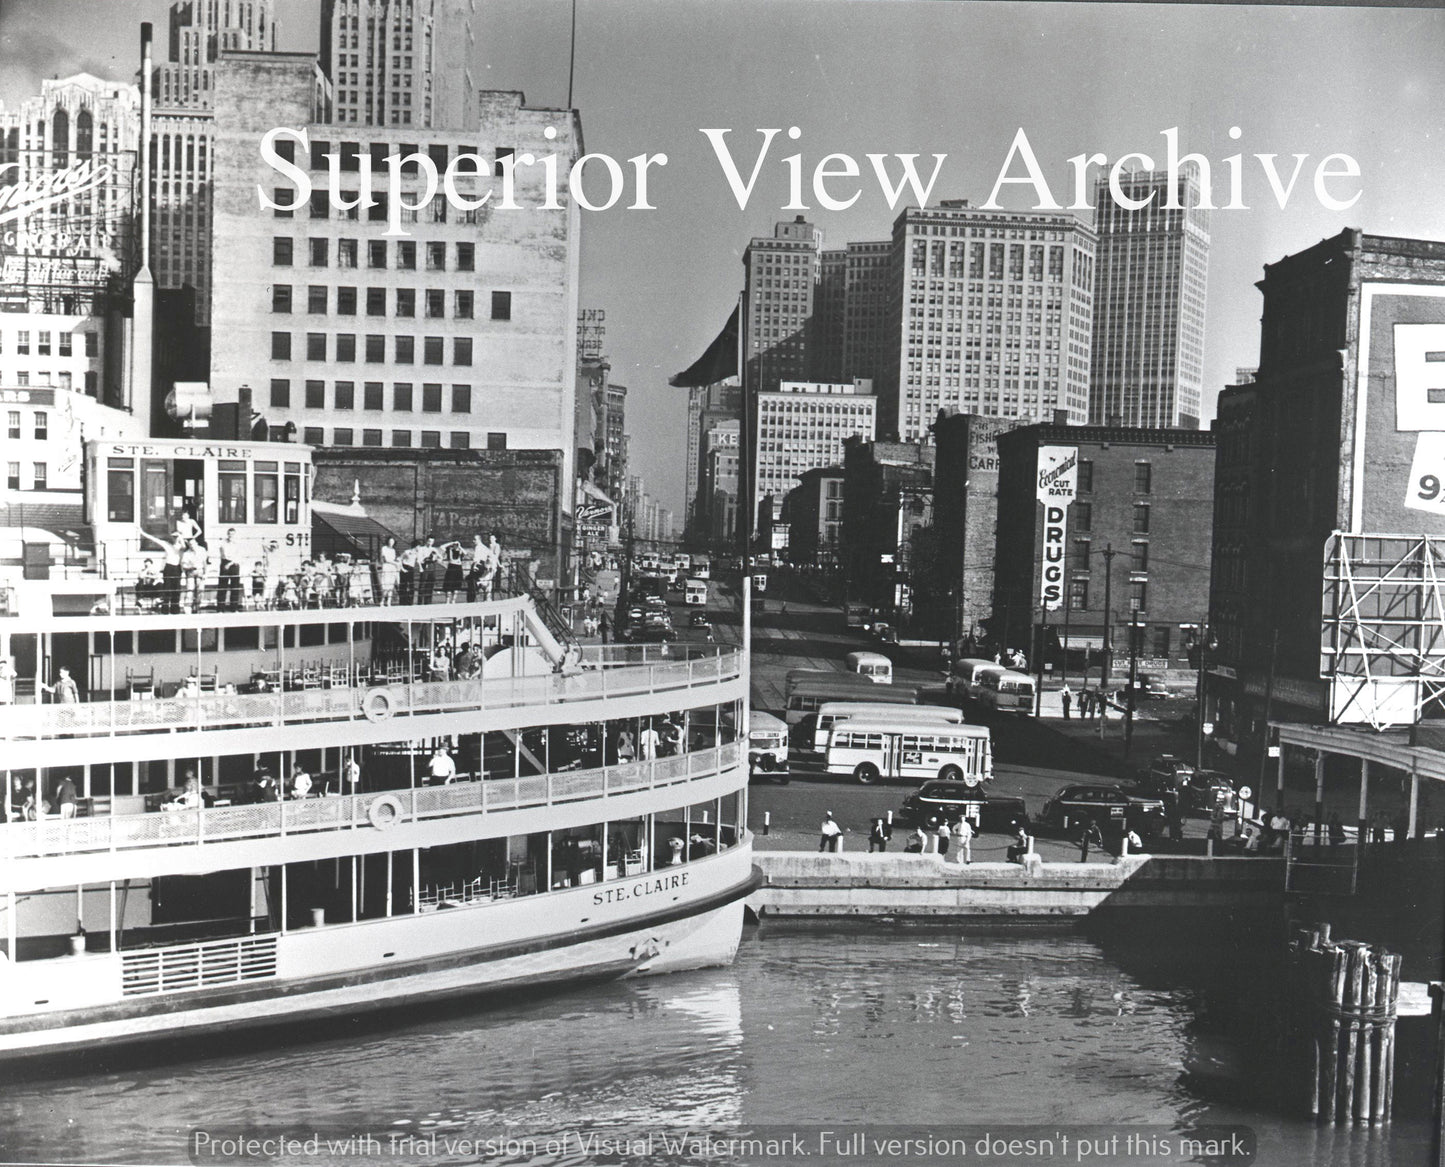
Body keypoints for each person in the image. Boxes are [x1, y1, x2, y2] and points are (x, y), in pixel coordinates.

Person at [139, 529, 186, 613]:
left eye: (176, 536)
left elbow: (183, 547)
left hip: (177, 568)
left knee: (176, 589)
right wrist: (142, 532)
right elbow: (154, 539)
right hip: (168, 567)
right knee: (167, 588)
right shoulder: (166, 544)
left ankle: (175, 609)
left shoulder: (181, 546)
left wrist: (180, 537)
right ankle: (165, 609)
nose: (174, 538)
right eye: (173, 536)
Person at [217, 528, 242, 611]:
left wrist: (230, 563)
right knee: (222, 586)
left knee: (234, 586)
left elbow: (239, 556)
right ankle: (220, 608)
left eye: (232, 534)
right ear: (227, 534)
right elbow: (223, 553)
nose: (230, 535)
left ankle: (234, 608)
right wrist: (226, 563)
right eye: (229, 534)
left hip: (234, 565)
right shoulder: (223, 543)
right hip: (225, 563)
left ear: (235, 534)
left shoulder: (238, 544)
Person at [378, 537, 400, 606]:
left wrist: (396, 563)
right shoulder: (384, 548)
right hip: (386, 567)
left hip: (392, 568)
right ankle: (382, 601)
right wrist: (395, 563)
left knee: (391, 585)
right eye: (390, 541)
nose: (391, 542)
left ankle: (389, 602)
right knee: (385, 585)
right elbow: (386, 559)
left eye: (392, 541)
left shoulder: (393, 550)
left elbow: (394, 559)